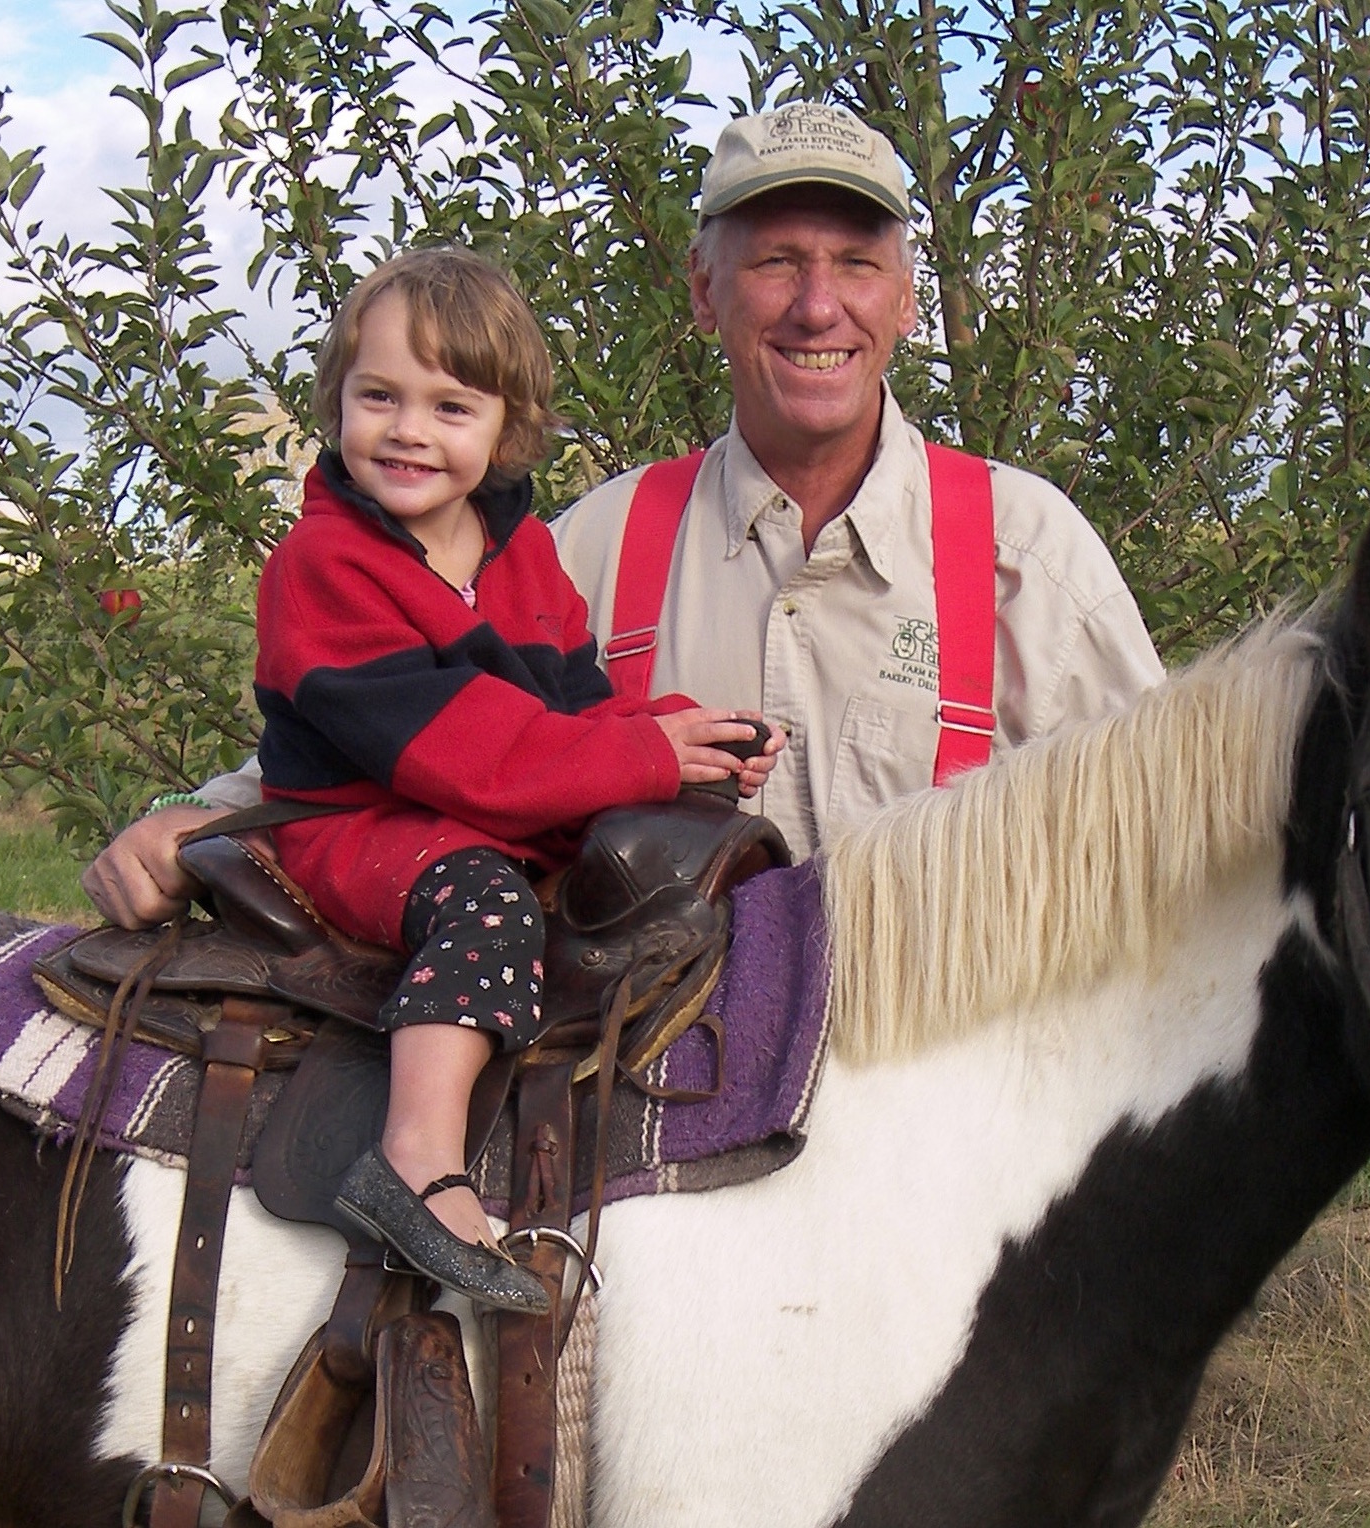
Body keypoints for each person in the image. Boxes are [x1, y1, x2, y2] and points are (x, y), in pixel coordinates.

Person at [83, 100, 1162, 926]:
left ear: (905, 297)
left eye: (855, 263)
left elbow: (1158, 852)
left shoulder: (1026, 556)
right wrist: (210, 818)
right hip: (658, 1145)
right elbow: (380, 716)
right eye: (777, 260)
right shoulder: (591, 546)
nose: (817, 305)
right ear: (702, 290)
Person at [251, 247, 779, 1312]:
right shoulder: (323, 565)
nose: (408, 430)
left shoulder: (523, 553)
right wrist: (639, 755)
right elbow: (457, 749)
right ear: (336, 401)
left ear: (505, 428)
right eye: (379, 397)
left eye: (450, 406)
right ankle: (416, 1156)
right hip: (362, 819)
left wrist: (680, 734)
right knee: (487, 902)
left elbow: (569, 709)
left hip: (457, 806)